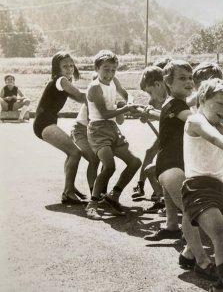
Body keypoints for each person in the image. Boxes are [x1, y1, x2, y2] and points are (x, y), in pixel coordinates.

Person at [145, 60, 218, 281]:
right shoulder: (176, 105)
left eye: (190, 78)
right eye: (182, 78)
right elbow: (194, 120)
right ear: (168, 82)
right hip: (170, 165)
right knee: (193, 209)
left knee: (190, 211)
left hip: (176, 165)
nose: (189, 82)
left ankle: (188, 254)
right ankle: (203, 262)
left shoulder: (181, 102)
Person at [181, 78, 223, 291]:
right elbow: (217, 140)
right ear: (203, 100)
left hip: (220, 189)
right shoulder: (196, 121)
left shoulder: (221, 125)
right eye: (220, 104)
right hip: (198, 188)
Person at [84, 50, 142, 220]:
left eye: (113, 70)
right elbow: (104, 113)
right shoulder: (94, 87)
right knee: (109, 166)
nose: (110, 74)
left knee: (135, 162)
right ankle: (92, 204)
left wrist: (128, 102)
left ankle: (112, 196)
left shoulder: (113, 81)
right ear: (96, 69)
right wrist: (125, 108)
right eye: (106, 69)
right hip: (97, 129)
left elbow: (126, 94)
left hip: (112, 127)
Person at [33, 51, 87, 203]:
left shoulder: (62, 83)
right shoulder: (62, 80)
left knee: (72, 153)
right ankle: (68, 192)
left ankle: (69, 186)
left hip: (45, 123)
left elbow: (80, 99)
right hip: (44, 123)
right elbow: (83, 97)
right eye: (65, 66)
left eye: (71, 65)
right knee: (75, 152)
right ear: (57, 69)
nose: (69, 68)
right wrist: (102, 92)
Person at [132, 58, 171, 203]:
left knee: (162, 162)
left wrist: (150, 113)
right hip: (167, 132)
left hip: (173, 135)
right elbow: (152, 115)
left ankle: (162, 195)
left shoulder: (170, 94)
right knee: (150, 153)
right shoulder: (157, 95)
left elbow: (167, 116)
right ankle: (142, 185)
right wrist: (145, 113)